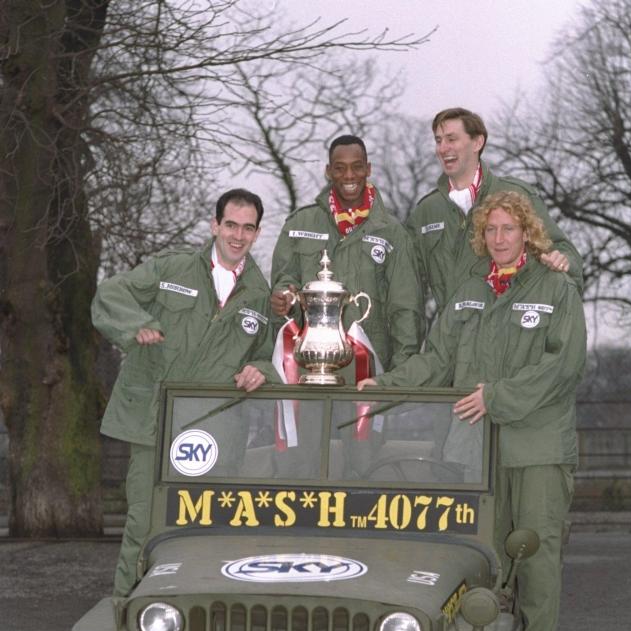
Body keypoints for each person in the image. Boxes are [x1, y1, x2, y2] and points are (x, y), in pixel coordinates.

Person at [359, 191, 587, 631]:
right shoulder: (467, 293)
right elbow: (436, 360)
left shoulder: (556, 289)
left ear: (527, 233)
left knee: (535, 551)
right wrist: (387, 385)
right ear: (481, 237)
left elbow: (562, 366)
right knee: (478, 554)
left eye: (509, 229)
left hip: (537, 446)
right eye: (491, 230)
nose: (500, 238)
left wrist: (496, 397)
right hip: (472, 446)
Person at [93, 188, 277, 596]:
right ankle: (128, 615)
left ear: (257, 233)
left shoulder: (260, 294)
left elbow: (268, 354)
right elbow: (111, 294)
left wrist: (259, 370)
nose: (237, 235)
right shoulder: (171, 268)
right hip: (154, 424)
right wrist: (135, 325)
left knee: (203, 528)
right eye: (231, 224)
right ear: (215, 225)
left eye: (248, 228)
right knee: (144, 523)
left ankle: (188, 618)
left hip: (212, 433)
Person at [270, 134, 425, 380]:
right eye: (340, 168)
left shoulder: (393, 233)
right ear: (329, 171)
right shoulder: (300, 223)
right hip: (308, 370)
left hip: (370, 371)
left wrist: (399, 376)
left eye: (357, 167)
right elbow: (284, 279)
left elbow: (406, 309)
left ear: (368, 169)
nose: (349, 176)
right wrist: (284, 297)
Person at [408, 107, 584, 312]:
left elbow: (563, 251)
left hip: (506, 333)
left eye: (451, 139)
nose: (443, 148)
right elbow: (403, 281)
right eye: (438, 141)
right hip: (449, 337)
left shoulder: (516, 195)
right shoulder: (427, 211)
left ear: (477, 142)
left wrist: (564, 261)